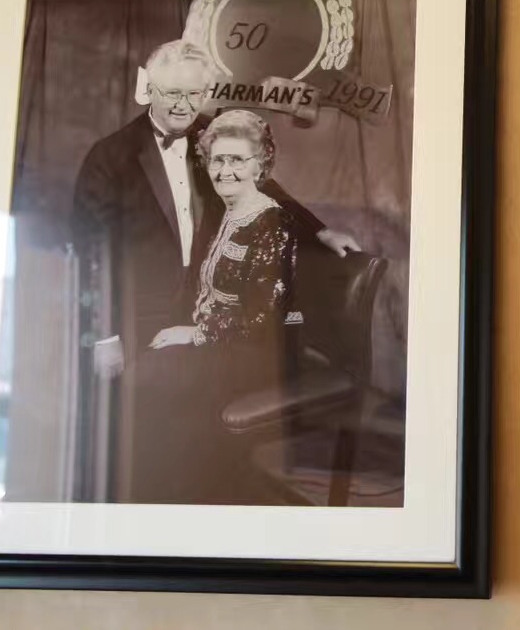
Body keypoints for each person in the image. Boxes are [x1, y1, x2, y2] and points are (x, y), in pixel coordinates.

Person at [70, 39, 355, 501]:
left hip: (205, 312)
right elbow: (90, 254)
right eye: (172, 93)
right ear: (149, 89)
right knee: (136, 413)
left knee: (184, 404)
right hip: (136, 314)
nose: (183, 106)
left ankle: (199, 500)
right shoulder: (110, 157)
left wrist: (319, 232)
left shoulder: (213, 138)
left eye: (194, 94)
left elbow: (266, 189)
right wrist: (105, 336)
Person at [147, 110, 303, 504]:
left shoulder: (272, 223)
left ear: (259, 165)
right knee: (145, 373)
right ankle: (163, 494)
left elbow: (264, 316)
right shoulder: (227, 212)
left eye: (237, 160)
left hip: (257, 351)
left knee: (159, 383)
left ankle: (189, 497)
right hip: (222, 340)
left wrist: (196, 334)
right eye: (217, 160)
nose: (225, 170)